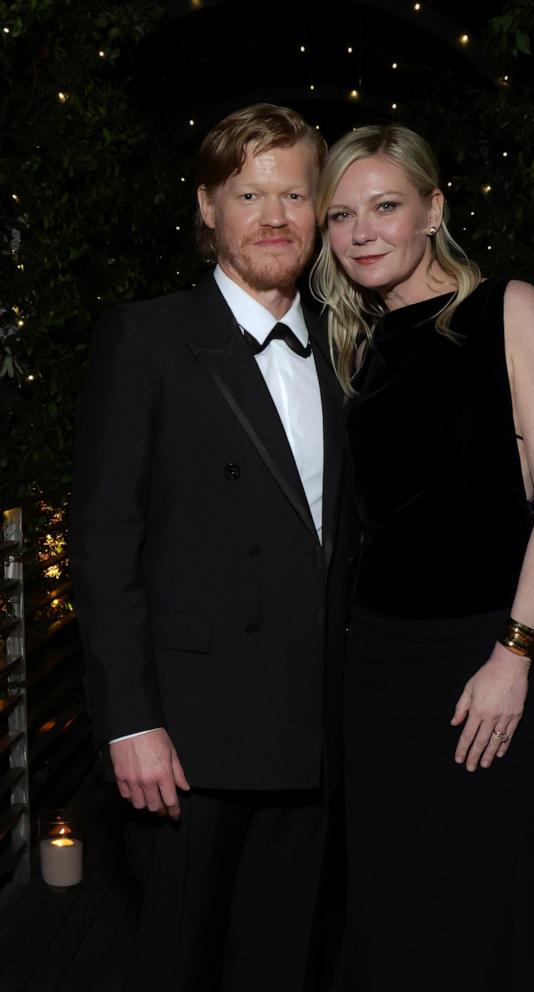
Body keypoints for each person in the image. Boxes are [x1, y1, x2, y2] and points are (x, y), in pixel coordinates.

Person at [69, 103, 354, 992]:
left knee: (282, 963)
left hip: (314, 731)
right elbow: (105, 537)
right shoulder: (145, 337)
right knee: (179, 966)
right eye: (248, 193)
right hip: (188, 738)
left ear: (318, 211)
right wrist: (129, 718)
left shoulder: (348, 347)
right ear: (206, 206)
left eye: (295, 194)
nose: (273, 218)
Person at [311, 123, 534, 991]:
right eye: (341, 215)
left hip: (486, 652)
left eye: (385, 207)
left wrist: (514, 654)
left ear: (433, 210)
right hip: (376, 665)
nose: (362, 232)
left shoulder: (508, 307)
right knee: (387, 903)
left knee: (478, 896)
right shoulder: (351, 343)